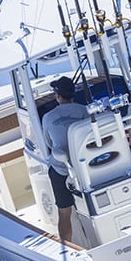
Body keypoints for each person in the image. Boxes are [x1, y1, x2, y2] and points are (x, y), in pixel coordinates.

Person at [40, 76, 87, 248]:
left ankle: (67, 247)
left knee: (64, 212)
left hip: (60, 169)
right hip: (85, 167)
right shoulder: (85, 111)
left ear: (57, 96)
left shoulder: (48, 117)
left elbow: (48, 143)